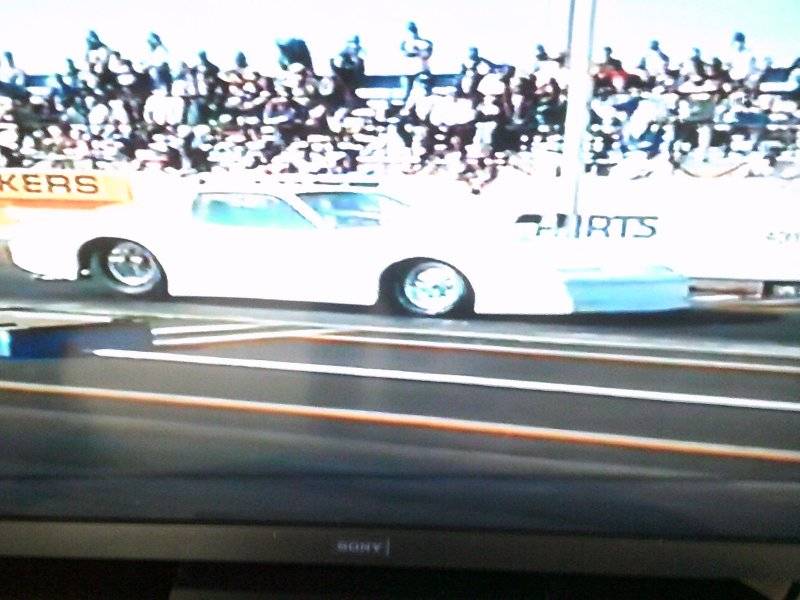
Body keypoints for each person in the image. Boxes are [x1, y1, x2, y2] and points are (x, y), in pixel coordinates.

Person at [400, 22, 433, 101]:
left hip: (422, 71)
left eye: (413, 30)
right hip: (408, 73)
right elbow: (404, 53)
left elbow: (427, 54)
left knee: (425, 93)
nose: (412, 32)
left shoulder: (425, 43)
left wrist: (417, 52)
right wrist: (414, 53)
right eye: (410, 30)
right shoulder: (404, 43)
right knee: (406, 95)